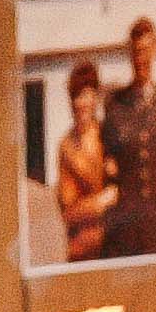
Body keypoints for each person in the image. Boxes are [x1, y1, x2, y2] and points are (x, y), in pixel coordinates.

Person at [100, 17, 156, 258]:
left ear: (155, 50)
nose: (141, 58)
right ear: (129, 54)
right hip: (127, 232)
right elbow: (106, 173)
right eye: (135, 52)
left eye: (145, 50)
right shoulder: (114, 106)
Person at [49, 63, 118, 264]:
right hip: (82, 249)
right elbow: (69, 212)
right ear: (71, 101)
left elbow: (125, 191)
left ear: (96, 97)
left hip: (116, 245)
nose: (82, 103)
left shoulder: (110, 135)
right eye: (77, 96)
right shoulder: (66, 147)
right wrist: (100, 202)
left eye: (88, 94)